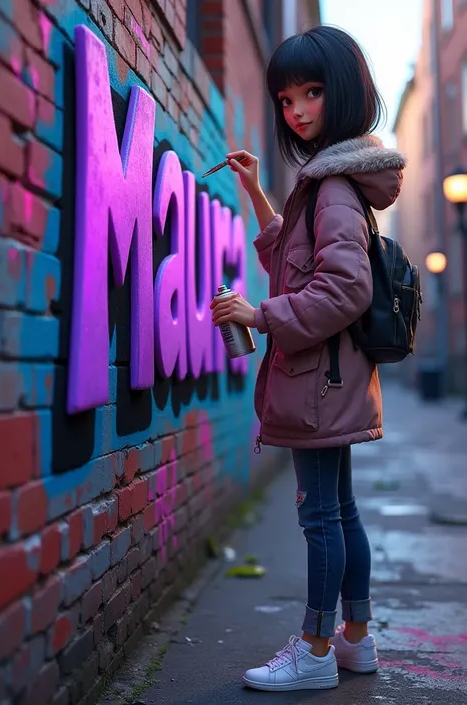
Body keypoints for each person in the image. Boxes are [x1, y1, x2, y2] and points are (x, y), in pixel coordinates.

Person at [210, 25, 406, 692]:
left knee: (320, 515)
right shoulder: (328, 185)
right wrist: (258, 192)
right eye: (286, 98)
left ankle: (317, 647)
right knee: (341, 510)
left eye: (311, 93)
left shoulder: (335, 190)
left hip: (319, 381)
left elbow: (343, 287)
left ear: (344, 92)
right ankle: (354, 638)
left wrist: (259, 315)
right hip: (334, 376)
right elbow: (297, 262)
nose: (296, 110)